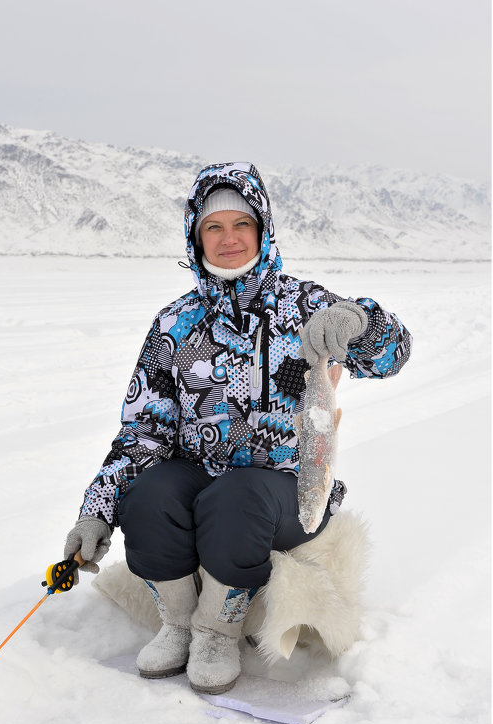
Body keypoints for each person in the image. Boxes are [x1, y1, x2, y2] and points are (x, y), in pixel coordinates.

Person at [64, 162, 412, 694]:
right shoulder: (173, 325)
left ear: (262, 229)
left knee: (238, 495)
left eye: (240, 224)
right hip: (199, 478)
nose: (228, 239)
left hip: (284, 492)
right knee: (149, 491)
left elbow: (392, 355)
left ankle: (216, 631)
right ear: (195, 236)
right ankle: (179, 623)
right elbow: (141, 434)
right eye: (213, 227)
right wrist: (97, 511)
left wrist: (359, 324)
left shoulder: (305, 306)